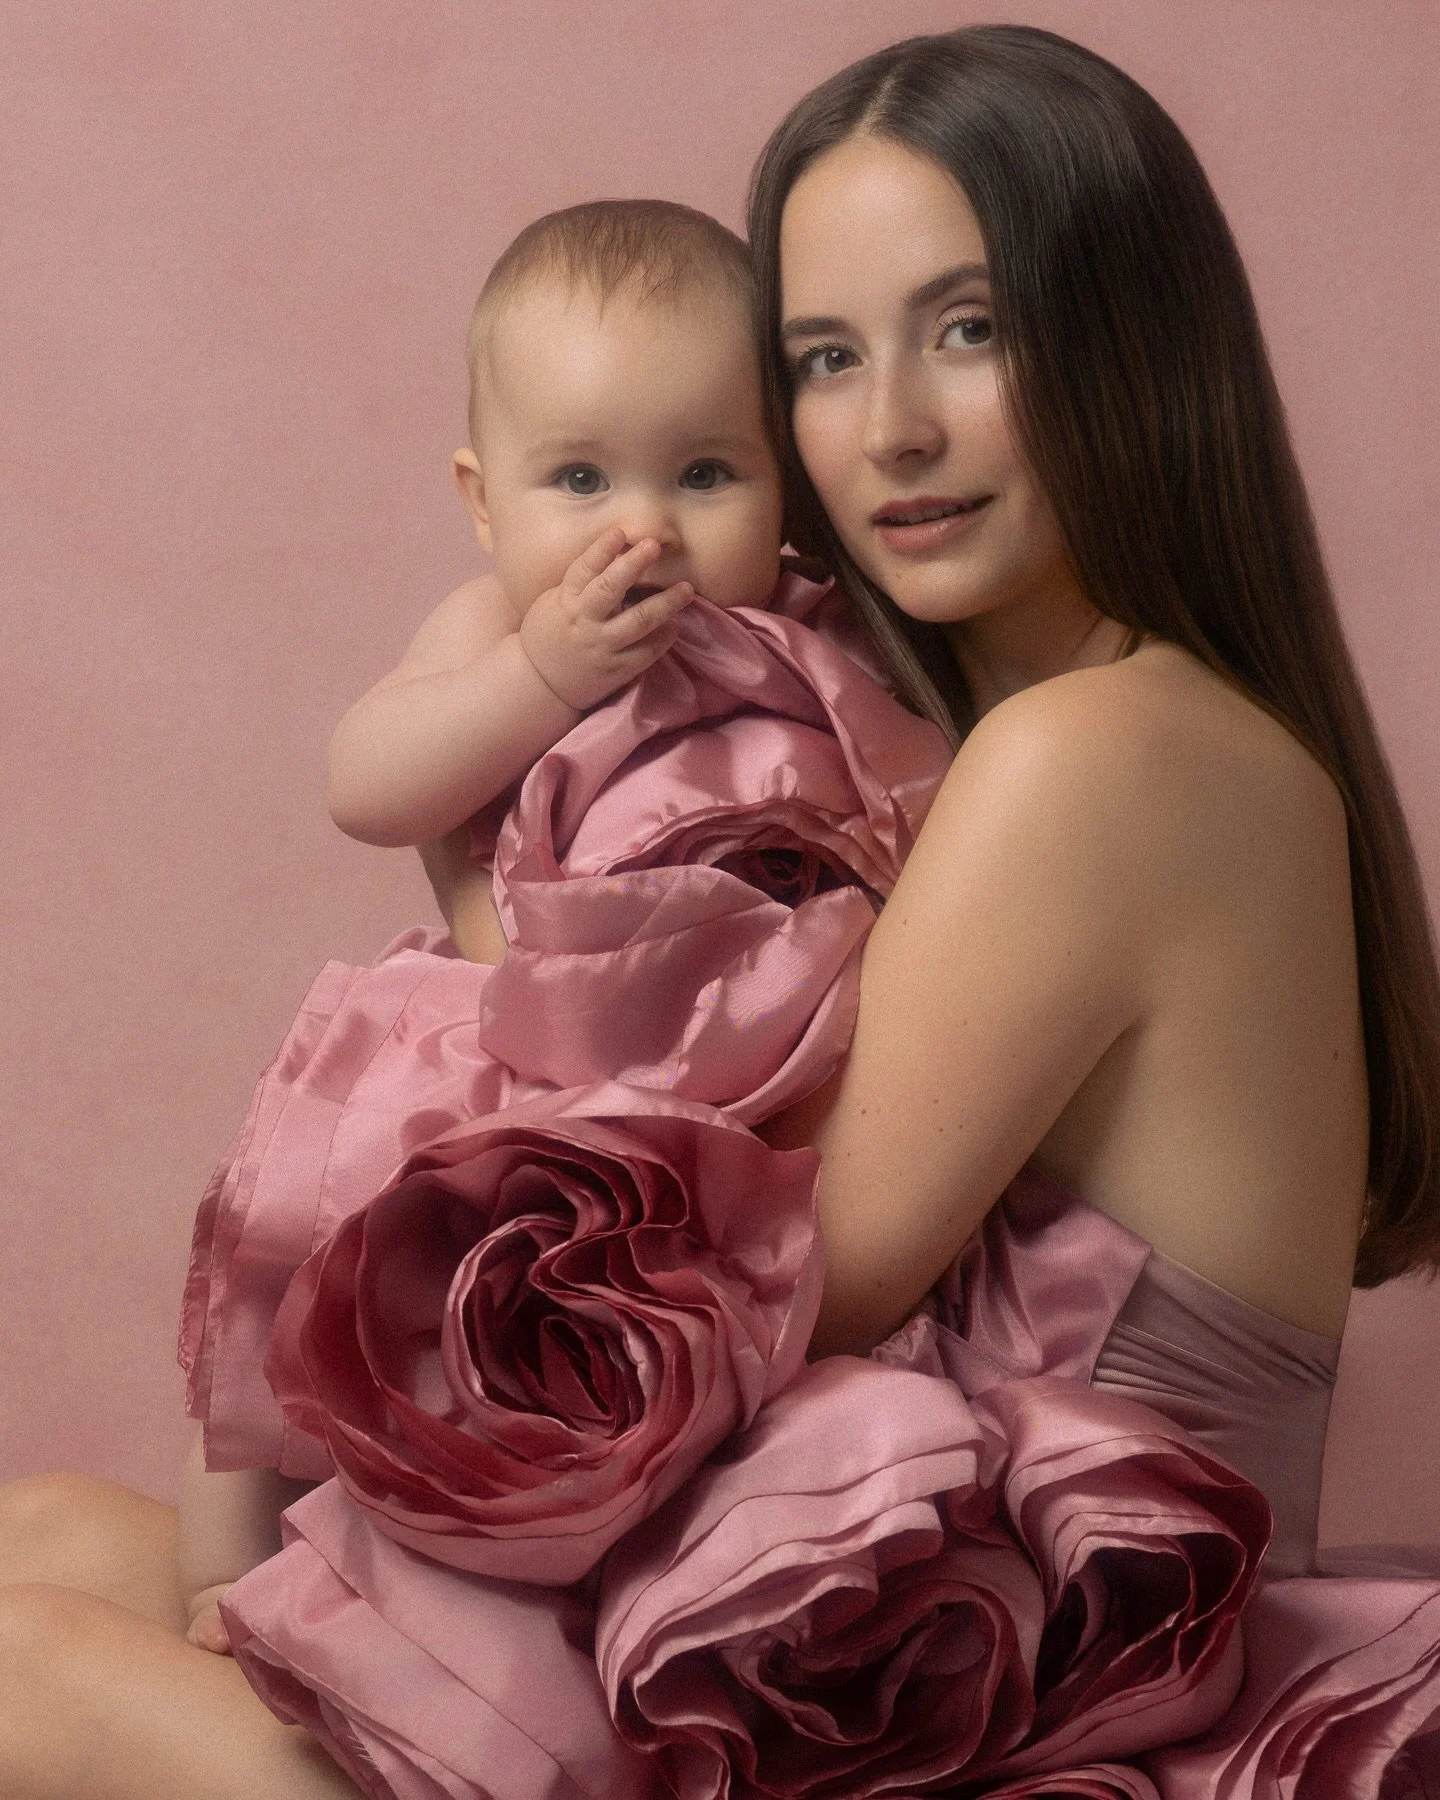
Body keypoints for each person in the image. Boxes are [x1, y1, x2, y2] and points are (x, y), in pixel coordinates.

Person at [3, 23, 1438, 1798]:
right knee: (44, 1539)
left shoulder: (1095, 760)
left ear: (1130, 333)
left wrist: (488, 910)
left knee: (27, 1678)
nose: (893, 425)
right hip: (818, 1603)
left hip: (983, 1681)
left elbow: (771, 1288)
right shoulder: (976, 731)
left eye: (970, 328)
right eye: (826, 357)